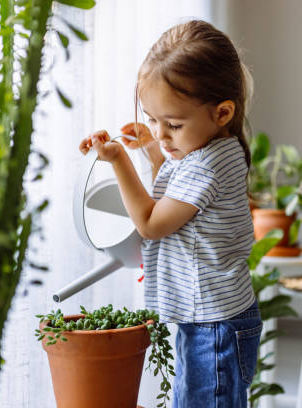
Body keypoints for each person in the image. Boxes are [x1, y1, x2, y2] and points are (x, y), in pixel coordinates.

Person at [79, 19, 262, 408]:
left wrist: (118, 161)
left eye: (173, 124)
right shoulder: (211, 149)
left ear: (222, 112)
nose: (161, 133)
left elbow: (150, 222)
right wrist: (153, 152)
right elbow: (178, 193)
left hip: (214, 324)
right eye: (151, 119)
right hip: (216, 315)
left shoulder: (205, 165)